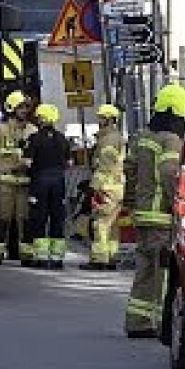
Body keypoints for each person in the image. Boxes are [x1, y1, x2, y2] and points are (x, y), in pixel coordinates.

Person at [124, 83, 185, 338]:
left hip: (142, 215)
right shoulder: (171, 139)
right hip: (162, 217)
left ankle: (137, 321)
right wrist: (180, 204)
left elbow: (129, 172)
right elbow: (170, 174)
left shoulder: (143, 138)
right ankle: (162, 323)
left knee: (144, 269)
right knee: (163, 272)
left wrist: (131, 204)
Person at [0, 90, 37, 263]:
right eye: (20, 107)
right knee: (3, 218)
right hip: (5, 182)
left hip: (25, 183)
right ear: (11, 108)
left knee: (24, 219)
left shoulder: (33, 130)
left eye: (26, 107)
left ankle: (26, 253)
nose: (24, 111)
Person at [23, 103, 71, 269]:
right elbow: (69, 163)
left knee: (40, 217)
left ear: (42, 119)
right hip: (59, 182)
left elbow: (28, 163)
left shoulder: (34, 139)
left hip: (40, 182)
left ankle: (42, 257)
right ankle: (57, 258)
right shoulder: (62, 139)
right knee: (57, 218)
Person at [82, 104, 126, 270]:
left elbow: (104, 167)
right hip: (117, 187)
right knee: (112, 225)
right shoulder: (117, 137)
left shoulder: (108, 140)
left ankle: (99, 259)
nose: (98, 121)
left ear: (108, 120)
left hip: (107, 187)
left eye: (101, 118)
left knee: (100, 223)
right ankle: (112, 256)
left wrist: (94, 187)